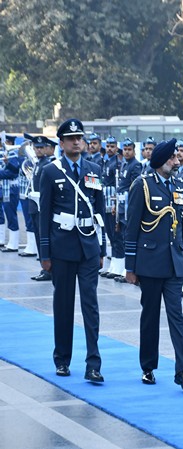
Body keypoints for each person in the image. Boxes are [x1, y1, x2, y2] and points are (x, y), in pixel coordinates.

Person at [125, 138, 183, 393]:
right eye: (172, 158)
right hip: (150, 262)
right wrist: (130, 266)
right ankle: (148, 367)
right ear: (161, 161)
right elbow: (131, 227)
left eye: (177, 158)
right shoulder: (142, 185)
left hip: (174, 263)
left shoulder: (181, 186)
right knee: (150, 315)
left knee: (177, 317)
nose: (176, 161)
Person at [39, 119, 106, 383]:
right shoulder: (50, 172)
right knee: (64, 305)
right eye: (71, 138)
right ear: (62, 142)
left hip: (88, 247)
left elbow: (99, 212)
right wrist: (45, 254)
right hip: (62, 249)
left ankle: (93, 364)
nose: (77, 142)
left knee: (90, 306)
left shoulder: (94, 170)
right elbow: (44, 216)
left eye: (80, 137)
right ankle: (63, 359)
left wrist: (101, 248)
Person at [26, 134, 57, 281]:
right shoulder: (38, 163)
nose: (38, 150)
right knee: (38, 237)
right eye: (36, 147)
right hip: (34, 203)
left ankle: (48, 269)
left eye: (41, 147)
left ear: (46, 148)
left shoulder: (47, 164)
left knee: (44, 237)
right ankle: (43, 267)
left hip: (42, 205)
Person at [113, 138, 142, 283]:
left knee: (128, 238)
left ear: (134, 150)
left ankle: (131, 269)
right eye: (124, 149)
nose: (126, 151)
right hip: (122, 206)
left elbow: (134, 188)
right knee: (122, 238)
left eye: (129, 149)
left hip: (129, 205)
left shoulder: (135, 165)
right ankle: (125, 268)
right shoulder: (124, 164)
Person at [99, 136, 120, 277]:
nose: (110, 149)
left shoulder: (117, 163)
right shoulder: (106, 161)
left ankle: (118, 266)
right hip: (105, 200)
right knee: (110, 234)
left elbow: (118, 185)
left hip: (113, 201)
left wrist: (115, 203)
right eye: (108, 146)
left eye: (112, 146)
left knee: (116, 234)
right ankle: (113, 265)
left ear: (117, 148)